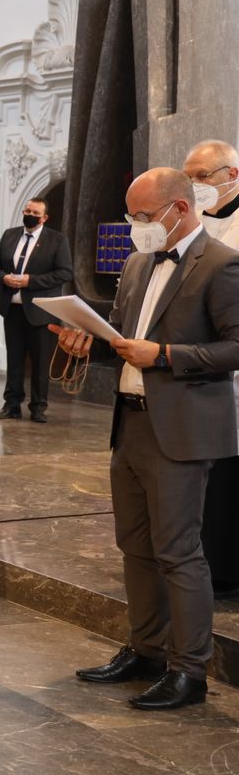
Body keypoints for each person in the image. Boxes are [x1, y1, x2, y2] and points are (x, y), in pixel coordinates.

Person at [53, 168, 239, 711]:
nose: (135, 227)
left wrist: (163, 356)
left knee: (179, 552)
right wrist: (89, 341)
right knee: (134, 547)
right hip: (130, 422)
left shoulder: (223, 266)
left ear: (178, 210)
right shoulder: (136, 263)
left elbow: (235, 349)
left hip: (181, 428)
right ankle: (148, 649)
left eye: (142, 216)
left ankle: (190, 670)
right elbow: (121, 337)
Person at [184, 140, 239, 595]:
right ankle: (205, 564)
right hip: (190, 369)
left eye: (204, 176)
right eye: (191, 178)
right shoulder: (192, 226)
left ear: (232, 175)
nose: (196, 186)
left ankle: (226, 570)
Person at [0, 197, 72, 423]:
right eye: (27, 210)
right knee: (14, 359)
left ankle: (38, 407)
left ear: (44, 218)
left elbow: (65, 273)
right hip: (12, 309)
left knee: (40, 361)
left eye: (35, 213)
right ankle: (11, 405)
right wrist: (3, 277)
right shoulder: (10, 235)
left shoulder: (56, 240)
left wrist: (30, 281)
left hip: (41, 311)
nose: (29, 214)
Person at [185, 139, 239, 249]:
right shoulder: (186, 218)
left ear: (232, 175)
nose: (194, 184)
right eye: (188, 178)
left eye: (203, 175)